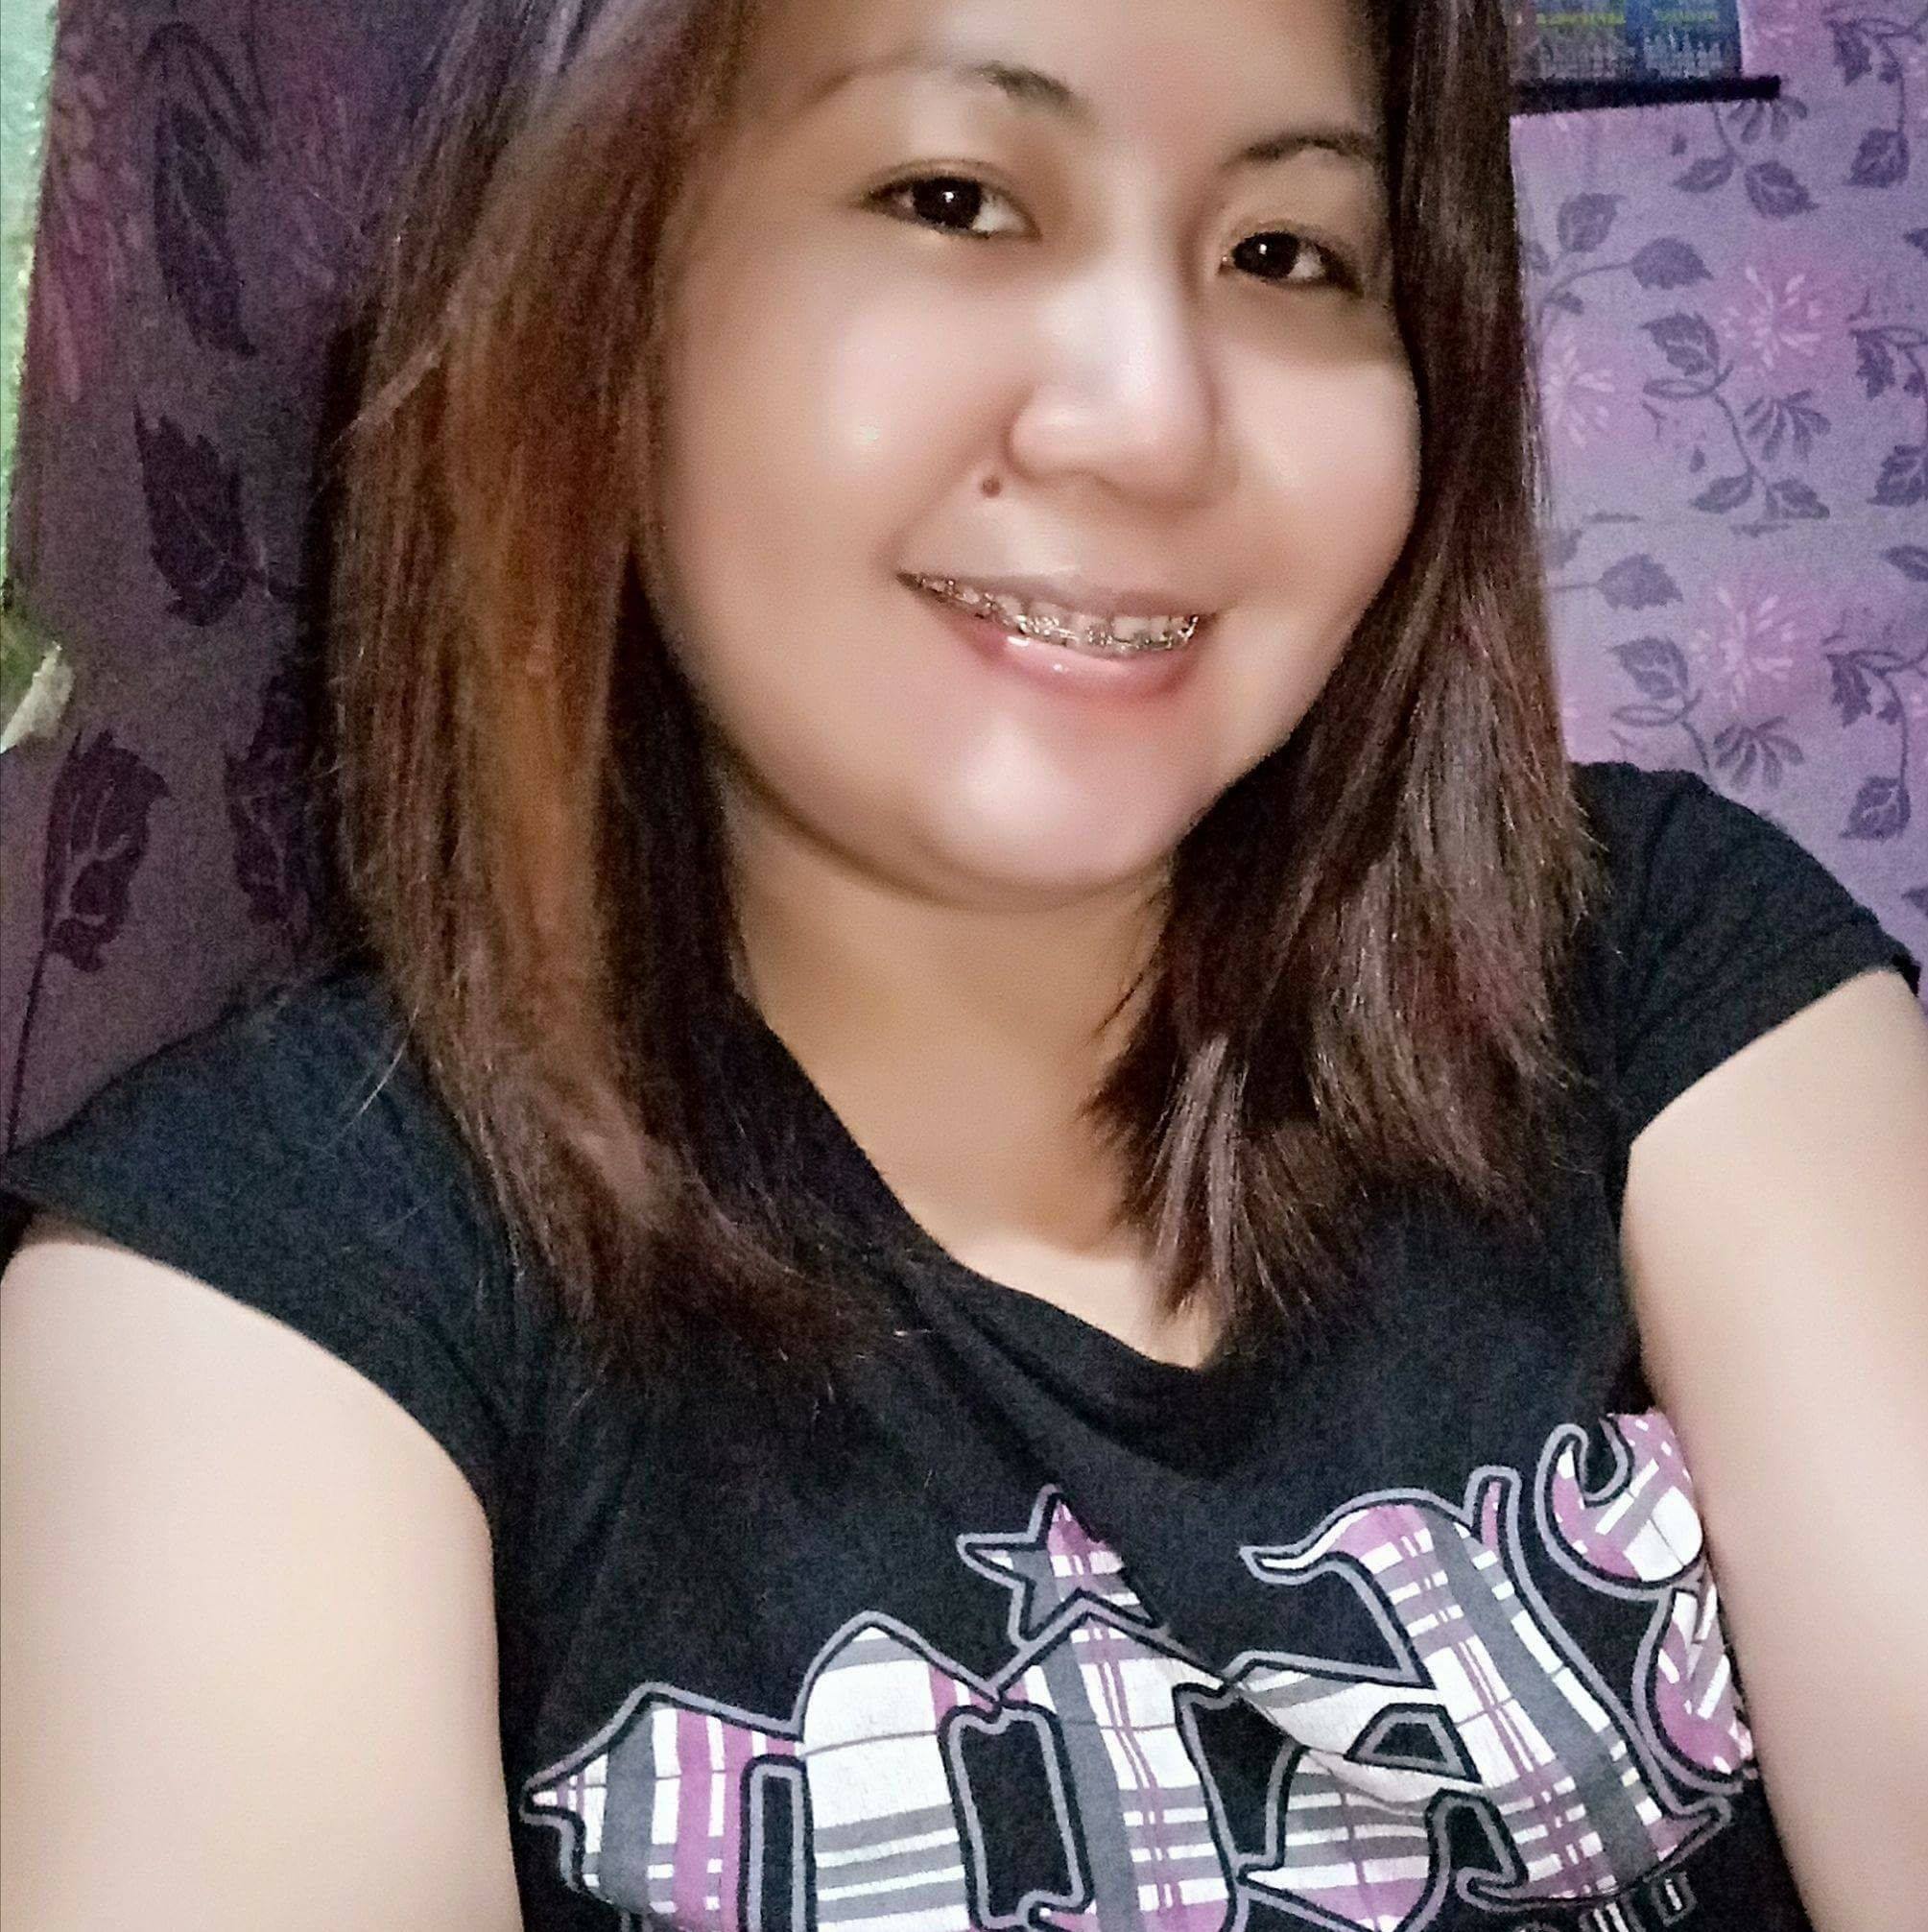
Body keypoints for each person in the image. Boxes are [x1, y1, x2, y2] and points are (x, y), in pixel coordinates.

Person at [2, 0, 1924, 1925]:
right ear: (594, 288)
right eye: (951, 197)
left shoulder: (1655, 958)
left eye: (1285, 252)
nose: (1151, 419)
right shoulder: (278, 1280)